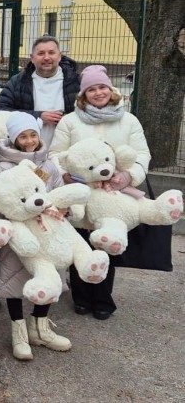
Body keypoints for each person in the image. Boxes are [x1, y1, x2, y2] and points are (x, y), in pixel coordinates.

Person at [49, 65, 151, 321]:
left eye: (102, 87)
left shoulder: (128, 120)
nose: (98, 93)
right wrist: (67, 175)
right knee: (80, 243)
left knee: (107, 242)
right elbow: (55, 154)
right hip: (82, 191)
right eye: (91, 89)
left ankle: (103, 298)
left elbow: (142, 154)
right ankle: (81, 297)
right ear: (83, 95)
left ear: (110, 89)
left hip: (113, 193)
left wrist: (128, 176)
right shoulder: (70, 121)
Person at [0, 112, 68, 361]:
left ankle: (40, 327)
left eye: (33, 134)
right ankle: (19, 332)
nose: (29, 141)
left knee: (48, 276)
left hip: (47, 231)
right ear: (13, 138)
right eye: (22, 136)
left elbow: (59, 191)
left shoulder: (48, 165)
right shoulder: (3, 167)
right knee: (14, 278)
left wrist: (62, 208)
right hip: (17, 233)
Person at [0, 35, 80, 145]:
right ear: (32, 58)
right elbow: (0, 110)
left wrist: (66, 119)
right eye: (41, 53)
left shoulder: (75, 81)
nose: (46, 57)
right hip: (27, 148)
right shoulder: (18, 82)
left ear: (59, 56)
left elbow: (87, 111)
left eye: (51, 53)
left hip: (67, 148)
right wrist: (38, 116)